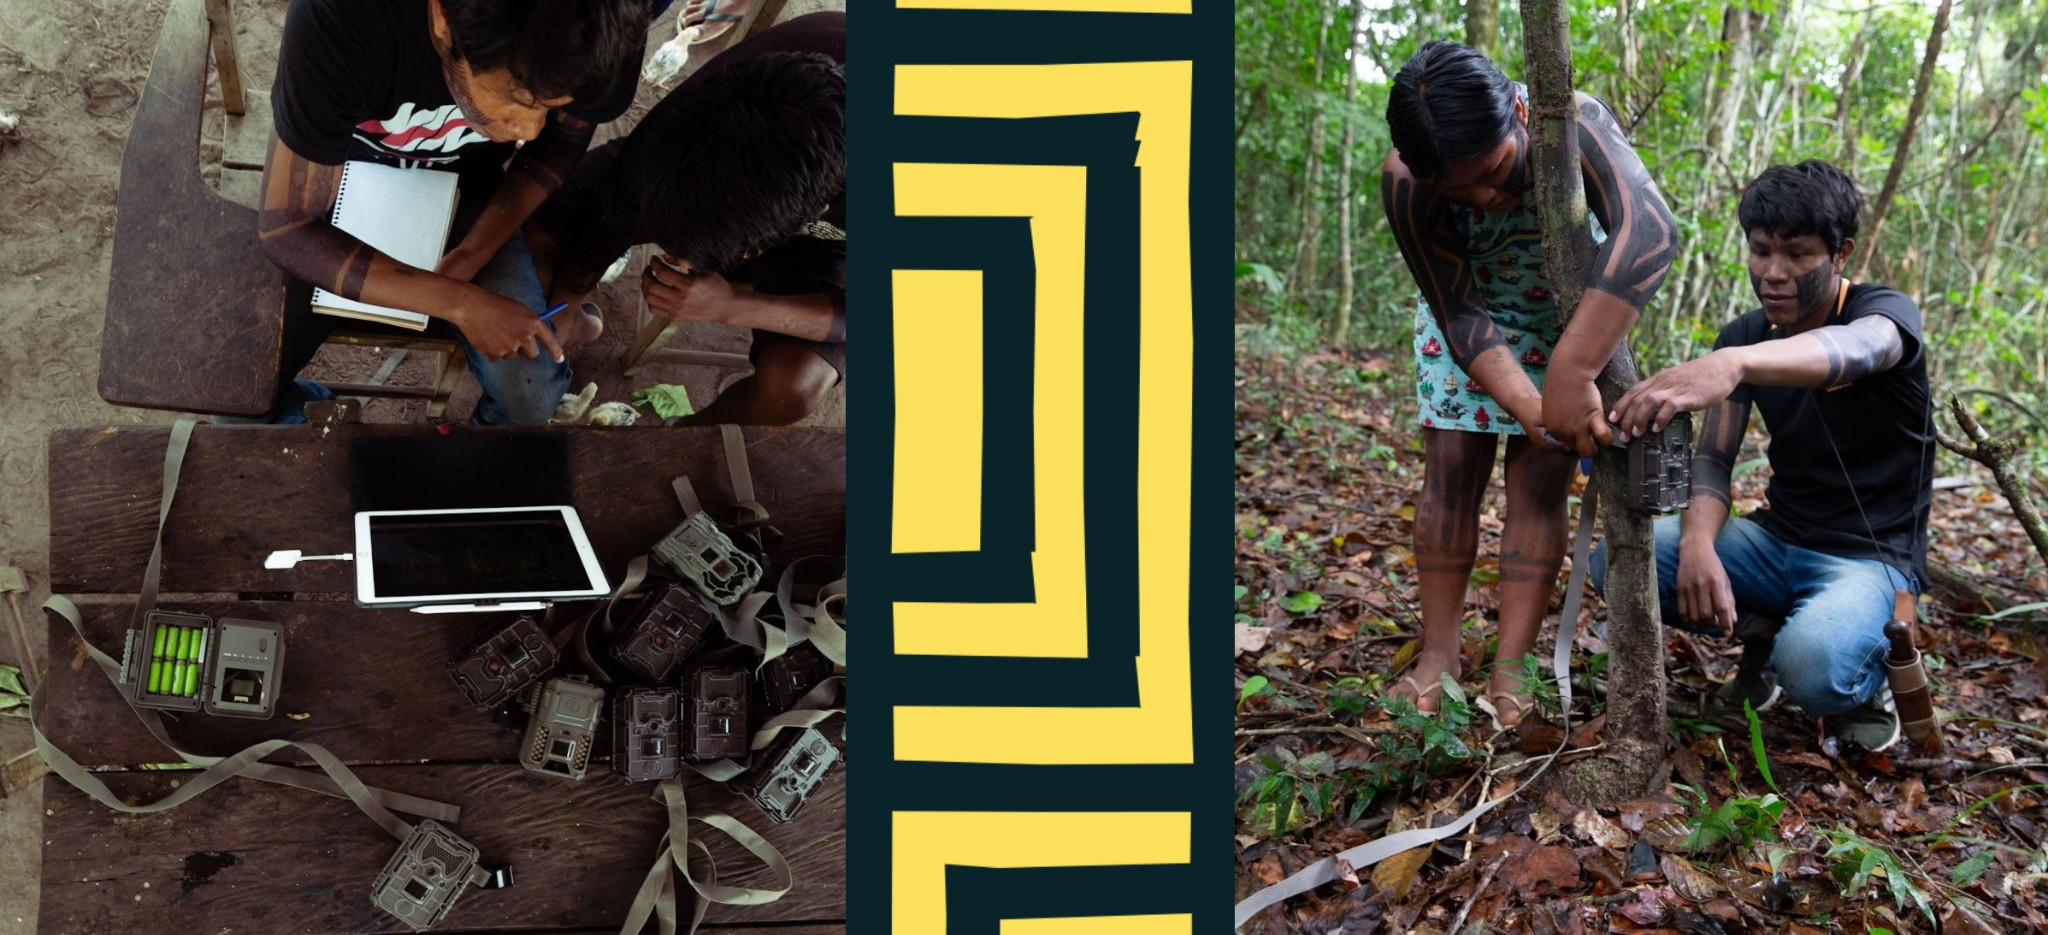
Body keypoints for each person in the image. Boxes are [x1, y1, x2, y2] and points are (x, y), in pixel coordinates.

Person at [1380, 40, 1677, 726]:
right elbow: (1455, 305)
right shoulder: (1406, 180)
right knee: (1450, 469)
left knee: (1540, 482)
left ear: (1518, 113)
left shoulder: (1569, 125)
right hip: (1471, 316)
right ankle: (1441, 653)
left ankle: (1512, 664)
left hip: (1570, 317)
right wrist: (1521, 397)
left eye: (1493, 172)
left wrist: (1570, 372)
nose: (1484, 197)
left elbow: (1653, 231)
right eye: (1461, 191)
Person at [1598, 160, 1932, 752]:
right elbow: (1714, 461)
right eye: (1760, 251)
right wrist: (1700, 544)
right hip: (1778, 540)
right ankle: (1767, 631)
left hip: (1868, 559)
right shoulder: (1746, 334)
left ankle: (1862, 678)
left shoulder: (1883, 314)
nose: (1774, 274)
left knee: (1814, 667)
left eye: (1799, 255)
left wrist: (1734, 363)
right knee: (1620, 562)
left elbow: (1858, 350)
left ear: (1841, 254)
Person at [251, 0, 655, 425]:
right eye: (515, 100)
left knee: (529, 403)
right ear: (443, 17)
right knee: (245, 391)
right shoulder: (341, 16)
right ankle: (308, 412)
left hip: (472, 193)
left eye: (551, 107)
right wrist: (461, 303)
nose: (530, 131)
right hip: (340, 180)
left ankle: (469, 457)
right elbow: (289, 228)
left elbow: (559, 146)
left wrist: (470, 257)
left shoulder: (604, 22)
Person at [529, 12, 847, 426]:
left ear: (760, 246)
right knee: (544, 221)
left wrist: (733, 305)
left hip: (833, 246)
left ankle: (671, 442)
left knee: (793, 388)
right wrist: (568, 298)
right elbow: (619, 204)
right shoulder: (710, 109)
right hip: (754, 180)